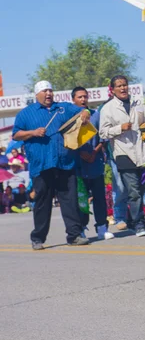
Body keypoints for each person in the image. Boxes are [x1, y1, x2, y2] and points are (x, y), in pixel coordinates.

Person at [12, 81, 91, 250]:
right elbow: (16, 135)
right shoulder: (25, 114)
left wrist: (84, 114)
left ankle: (74, 235)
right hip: (42, 165)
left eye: (50, 90)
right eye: (44, 91)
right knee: (43, 202)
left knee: (70, 201)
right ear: (37, 94)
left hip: (65, 162)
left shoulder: (62, 108)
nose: (48, 93)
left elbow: (82, 110)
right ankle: (38, 238)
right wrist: (32, 132)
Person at [99, 75, 145, 237]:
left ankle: (131, 219)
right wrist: (119, 128)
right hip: (123, 153)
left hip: (141, 153)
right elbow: (103, 132)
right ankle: (139, 224)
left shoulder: (138, 102)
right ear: (112, 90)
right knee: (133, 190)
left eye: (124, 85)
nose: (122, 88)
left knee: (140, 190)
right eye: (119, 86)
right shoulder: (108, 108)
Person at [72, 87, 114, 241]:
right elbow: (67, 140)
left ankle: (102, 228)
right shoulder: (71, 118)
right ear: (73, 100)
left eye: (85, 96)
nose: (83, 99)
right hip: (78, 166)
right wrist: (80, 153)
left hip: (95, 164)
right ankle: (82, 229)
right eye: (79, 97)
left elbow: (103, 138)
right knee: (81, 200)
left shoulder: (96, 115)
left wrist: (94, 152)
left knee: (99, 198)